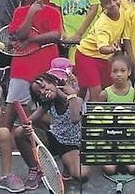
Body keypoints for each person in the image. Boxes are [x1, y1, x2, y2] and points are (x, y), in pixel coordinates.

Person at [14, 58, 89, 189]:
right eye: (39, 93)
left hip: (72, 145)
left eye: (43, 87)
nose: (43, 92)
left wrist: (71, 96)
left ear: (55, 82)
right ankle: (35, 169)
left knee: (81, 175)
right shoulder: (48, 103)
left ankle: (67, 163)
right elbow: (30, 120)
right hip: (54, 139)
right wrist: (27, 126)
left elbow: (75, 118)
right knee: (19, 132)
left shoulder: (76, 99)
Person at [1, 0, 62, 130]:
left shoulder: (53, 12)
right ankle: (4, 135)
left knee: (48, 104)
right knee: (13, 102)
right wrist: (31, 12)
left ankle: (49, 135)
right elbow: (20, 34)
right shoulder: (20, 12)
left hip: (46, 65)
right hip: (22, 65)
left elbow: (55, 35)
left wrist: (31, 40)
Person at [74, 0, 125, 101]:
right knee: (96, 92)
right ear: (102, 7)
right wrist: (112, 49)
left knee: (108, 88)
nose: (112, 4)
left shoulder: (123, 13)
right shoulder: (103, 24)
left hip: (103, 58)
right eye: (107, 3)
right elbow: (102, 48)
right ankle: (90, 115)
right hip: (87, 55)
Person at [98, 54, 135, 175]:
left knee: (134, 169)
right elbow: (97, 117)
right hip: (110, 140)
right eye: (115, 71)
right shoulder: (104, 94)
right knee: (109, 170)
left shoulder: (134, 94)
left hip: (128, 141)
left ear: (129, 72)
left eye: (123, 71)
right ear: (110, 73)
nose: (119, 74)